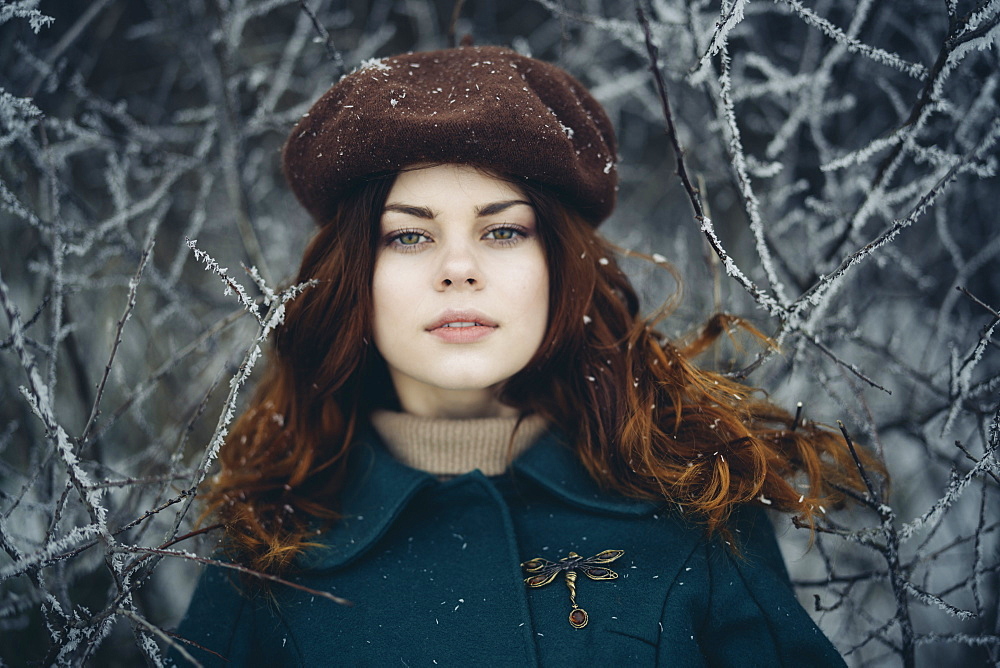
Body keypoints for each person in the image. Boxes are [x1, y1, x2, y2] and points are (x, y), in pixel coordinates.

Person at [170, 45, 872, 666]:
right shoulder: (267, 545)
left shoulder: (697, 506)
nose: (457, 269)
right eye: (409, 237)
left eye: (502, 233)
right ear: (355, 276)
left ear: (558, 267)